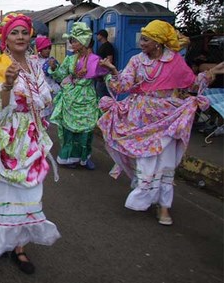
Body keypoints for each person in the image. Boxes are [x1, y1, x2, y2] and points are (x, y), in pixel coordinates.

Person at [97, 20, 224, 226]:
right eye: (142, 38)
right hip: (140, 117)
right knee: (146, 159)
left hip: (167, 117)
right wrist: (112, 70)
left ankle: (164, 205)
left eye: (146, 39)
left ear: (157, 42)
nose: (141, 43)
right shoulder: (137, 61)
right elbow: (123, 86)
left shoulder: (174, 61)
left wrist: (212, 73)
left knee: (165, 160)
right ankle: (145, 196)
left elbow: (191, 83)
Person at [0, 12, 60, 275]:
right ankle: (2, 242)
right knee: (4, 193)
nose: (21, 37)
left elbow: (45, 98)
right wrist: (9, 86)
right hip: (7, 137)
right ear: (6, 38)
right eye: (15, 32)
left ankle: (20, 247)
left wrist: (36, 105)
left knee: (29, 192)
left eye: (24, 32)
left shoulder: (35, 64)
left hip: (31, 136)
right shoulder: (2, 63)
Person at [49, 22, 109, 170]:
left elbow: (106, 76)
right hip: (70, 98)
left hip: (87, 98)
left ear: (83, 42)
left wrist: (110, 73)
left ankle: (84, 158)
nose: (72, 44)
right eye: (71, 41)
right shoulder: (70, 59)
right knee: (69, 130)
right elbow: (61, 74)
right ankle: (69, 158)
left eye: (74, 41)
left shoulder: (96, 60)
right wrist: (54, 68)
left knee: (87, 131)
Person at [35, 36, 60, 117]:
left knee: (51, 115)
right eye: (45, 48)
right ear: (40, 49)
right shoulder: (34, 61)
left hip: (52, 90)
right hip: (39, 91)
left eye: (49, 48)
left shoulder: (52, 61)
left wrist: (53, 68)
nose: (48, 50)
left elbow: (59, 76)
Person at [95, 29, 115, 99]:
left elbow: (110, 60)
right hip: (100, 74)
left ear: (101, 36)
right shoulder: (102, 46)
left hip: (104, 74)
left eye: (98, 35)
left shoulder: (108, 46)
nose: (97, 36)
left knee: (102, 92)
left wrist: (106, 72)